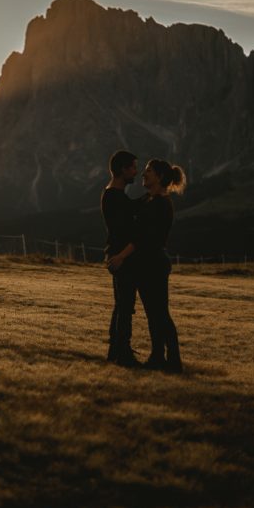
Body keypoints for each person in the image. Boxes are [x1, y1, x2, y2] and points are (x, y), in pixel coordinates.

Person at [109, 158, 186, 373]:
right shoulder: (149, 200)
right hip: (147, 264)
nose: (144, 174)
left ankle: (174, 360)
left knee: (160, 313)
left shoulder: (161, 204)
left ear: (160, 177)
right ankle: (158, 357)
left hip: (155, 264)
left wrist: (121, 256)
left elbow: (142, 237)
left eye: (148, 171)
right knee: (154, 313)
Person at [101, 150, 140, 367]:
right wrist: (123, 255)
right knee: (125, 306)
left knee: (121, 305)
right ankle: (123, 353)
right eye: (133, 167)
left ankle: (115, 351)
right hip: (120, 257)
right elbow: (123, 230)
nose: (136, 171)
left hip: (117, 255)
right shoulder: (115, 197)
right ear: (123, 170)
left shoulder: (115, 196)